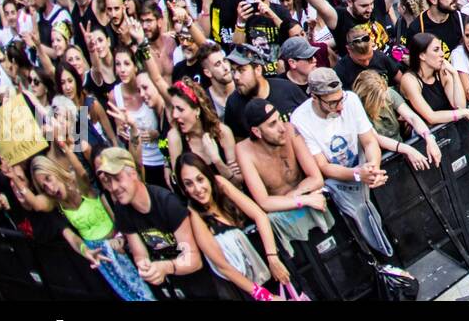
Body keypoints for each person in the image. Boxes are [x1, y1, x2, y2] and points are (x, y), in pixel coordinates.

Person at [289, 69, 394, 259]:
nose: (339, 107)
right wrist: (357, 174)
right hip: (338, 182)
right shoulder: (300, 119)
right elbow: (322, 165)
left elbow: (369, 141)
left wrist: (373, 167)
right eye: (332, 103)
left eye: (340, 99)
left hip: (363, 167)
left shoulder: (351, 100)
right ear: (315, 97)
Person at [29, 151, 156, 301]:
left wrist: (67, 149)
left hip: (121, 243)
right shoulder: (56, 207)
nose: (50, 188)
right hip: (100, 255)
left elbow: (82, 173)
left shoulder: (80, 185)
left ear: (55, 172)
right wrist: (85, 250)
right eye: (44, 187)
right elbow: (72, 237)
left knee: (148, 289)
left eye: (48, 179)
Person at [95, 146, 217, 298]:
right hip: (169, 286)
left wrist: (166, 267)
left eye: (118, 179)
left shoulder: (167, 203)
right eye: (108, 182)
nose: (113, 187)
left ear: (133, 173)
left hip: (201, 283)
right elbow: (140, 254)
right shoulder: (122, 208)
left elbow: (193, 259)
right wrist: (145, 267)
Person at [176, 151, 291, 300]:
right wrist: (264, 296)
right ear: (183, 188)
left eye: (200, 179)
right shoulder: (193, 214)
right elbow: (223, 267)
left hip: (270, 266)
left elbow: (259, 215)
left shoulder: (220, 184)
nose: (197, 189)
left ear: (208, 177)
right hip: (247, 287)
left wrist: (273, 258)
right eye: (189, 184)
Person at [234, 99, 335, 252]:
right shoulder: (244, 151)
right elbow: (264, 202)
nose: (281, 128)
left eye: (279, 119)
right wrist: (303, 199)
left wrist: (295, 196)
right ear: (256, 132)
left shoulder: (289, 130)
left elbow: (316, 178)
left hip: (311, 205)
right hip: (288, 216)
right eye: (272, 124)